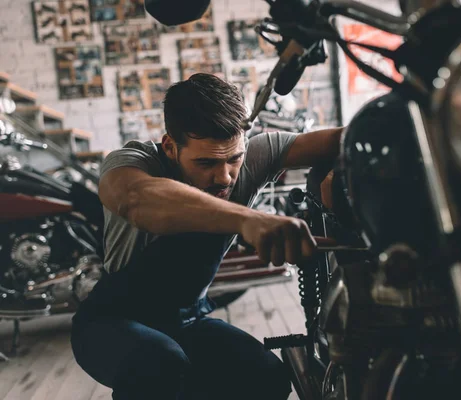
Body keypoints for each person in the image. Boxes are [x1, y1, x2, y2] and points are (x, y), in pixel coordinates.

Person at [70, 73, 343, 400]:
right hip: (108, 322)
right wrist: (248, 219)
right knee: (159, 364)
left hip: (184, 320)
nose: (225, 176)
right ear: (170, 146)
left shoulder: (254, 157)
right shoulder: (134, 162)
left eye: (234, 158)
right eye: (206, 162)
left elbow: (349, 139)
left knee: (266, 377)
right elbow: (135, 198)